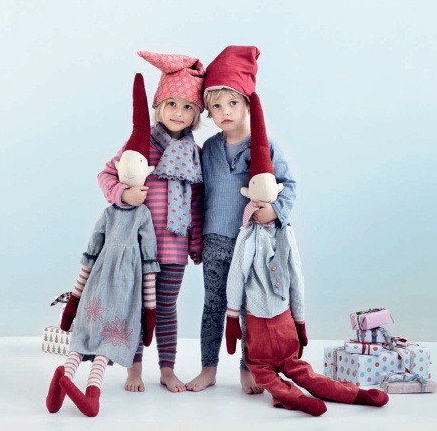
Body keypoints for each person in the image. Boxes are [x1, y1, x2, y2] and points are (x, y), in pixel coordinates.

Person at [223, 50, 389, 415]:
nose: (226, 111)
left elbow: (241, 273)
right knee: (298, 370)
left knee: (269, 371)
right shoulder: (272, 234)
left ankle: (314, 397)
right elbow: (292, 276)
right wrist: (298, 323)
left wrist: (234, 317)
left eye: (233, 103)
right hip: (282, 318)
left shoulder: (263, 232)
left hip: (266, 323)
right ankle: (338, 396)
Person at [45, 73, 160, 417]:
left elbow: (147, 262)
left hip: (117, 288)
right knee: (93, 332)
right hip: (109, 287)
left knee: (96, 336)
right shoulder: (111, 214)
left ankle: (73, 384)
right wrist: (74, 300)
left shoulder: (140, 217)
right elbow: (92, 255)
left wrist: (150, 310)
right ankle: (76, 387)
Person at [185, 46, 296, 394]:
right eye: (216, 107)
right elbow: (198, 195)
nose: (225, 112)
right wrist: (195, 239)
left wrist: (275, 211)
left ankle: (248, 369)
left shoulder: (266, 146)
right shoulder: (208, 149)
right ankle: (208, 368)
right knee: (213, 306)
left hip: (251, 243)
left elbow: (289, 186)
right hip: (215, 241)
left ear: (248, 102)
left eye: (232, 103)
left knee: (249, 309)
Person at [97, 51, 205, 393]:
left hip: (174, 247)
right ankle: (134, 368)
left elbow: (197, 201)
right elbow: (105, 175)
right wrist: (123, 194)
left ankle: (167, 369)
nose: (178, 112)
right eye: (172, 104)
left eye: (187, 107)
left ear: (196, 114)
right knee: (138, 308)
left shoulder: (194, 153)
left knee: (166, 308)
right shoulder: (140, 145)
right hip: (138, 247)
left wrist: (196, 242)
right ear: (159, 106)